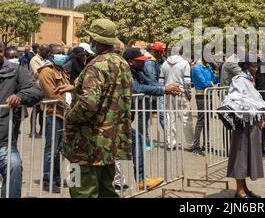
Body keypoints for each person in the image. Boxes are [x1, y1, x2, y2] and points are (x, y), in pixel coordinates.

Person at [55, 18, 133, 198]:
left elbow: (88, 103)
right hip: (109, 143)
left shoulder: (96, 65)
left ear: (96, 40)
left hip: (83, 144)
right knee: (107, 190)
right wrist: (76, 87)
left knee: (78, 189)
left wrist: (70, 117)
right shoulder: (122, 64)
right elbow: (111, 90)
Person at [0, 41, 43, 198]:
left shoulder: (16, 70)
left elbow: (36, 90)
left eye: (0, 50)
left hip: (4, 143)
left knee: (15, 166)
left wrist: (20, 96)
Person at [220, 54, 265, 198]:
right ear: (246, 67)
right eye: (253, 66)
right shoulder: (239, 80)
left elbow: (252, 99)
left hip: (250, 123)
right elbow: (236, 99)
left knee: (247, 156)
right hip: (243, 125)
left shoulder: (248, 80)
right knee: (241, 156)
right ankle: (239, 191)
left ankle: (244, 187)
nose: (256, 68)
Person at [123, 48, 167, 190]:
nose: (143, 64)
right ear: (130, 62)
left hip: (125, 116)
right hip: (114, 118)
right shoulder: (126, 72)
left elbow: (150, 83)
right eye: (139, 61)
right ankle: (140, 180)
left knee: (134, 141)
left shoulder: (138, 71)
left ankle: (141, 179)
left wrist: (166, 88)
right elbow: (136, 88)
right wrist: (163, 90)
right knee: (136, 140)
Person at [37, 45, 71, 192]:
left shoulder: (61, 70)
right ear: (50, 55)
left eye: (63, 53)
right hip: (54, 114)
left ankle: (56, 178)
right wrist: (67, 105)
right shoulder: (46, 71)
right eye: (58, 53)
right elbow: (51, 94)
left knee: (58, 150)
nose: (62, 55)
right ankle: (47, 180)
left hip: (63, 114)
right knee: (51, 149)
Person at [160, 48, 195, 151]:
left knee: (170, 119)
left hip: (168, 93)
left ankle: (171, 143)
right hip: (181, 92)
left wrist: (163, 92)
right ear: (181, 53)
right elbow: (187, 81)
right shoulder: (184, 63)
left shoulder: (164, 63)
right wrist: (188, 94)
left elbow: (161, 80)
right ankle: (190, 144)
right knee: (186, 120)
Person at [191, 56, 219, 156]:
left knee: (207, 121)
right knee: (200, 121)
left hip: (208, 96)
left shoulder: (207, 67)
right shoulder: (197, 68)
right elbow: (204, 83)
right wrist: (211, 83)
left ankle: (206, 144)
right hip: (201, 97)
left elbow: (215, 80)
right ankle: (196, 146)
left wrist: (216, 69)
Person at [29, 44, 50, 138]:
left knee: (42, 110)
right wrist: (47, 69)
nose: (48, 53)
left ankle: (42, 130)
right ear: (40, 51)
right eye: (46, 51)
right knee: (36, 109)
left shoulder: (44, 60)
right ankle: (32, 131)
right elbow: (37, 73)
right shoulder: (34, 60)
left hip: (44, 88)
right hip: (36, 87)